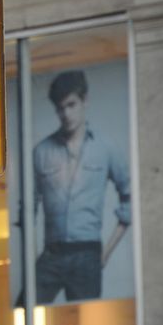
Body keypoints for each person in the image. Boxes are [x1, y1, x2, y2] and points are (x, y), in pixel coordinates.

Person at [32, 69, 131, 303]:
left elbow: (131, 198)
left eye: (71, 105)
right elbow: (26, 210)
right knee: (26, 310)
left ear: (85, 101)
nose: (66, 114)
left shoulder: (107, 148)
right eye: (60, 108)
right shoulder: (42, 151)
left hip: (88, 254)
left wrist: (104, 254)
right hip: (51, 254)